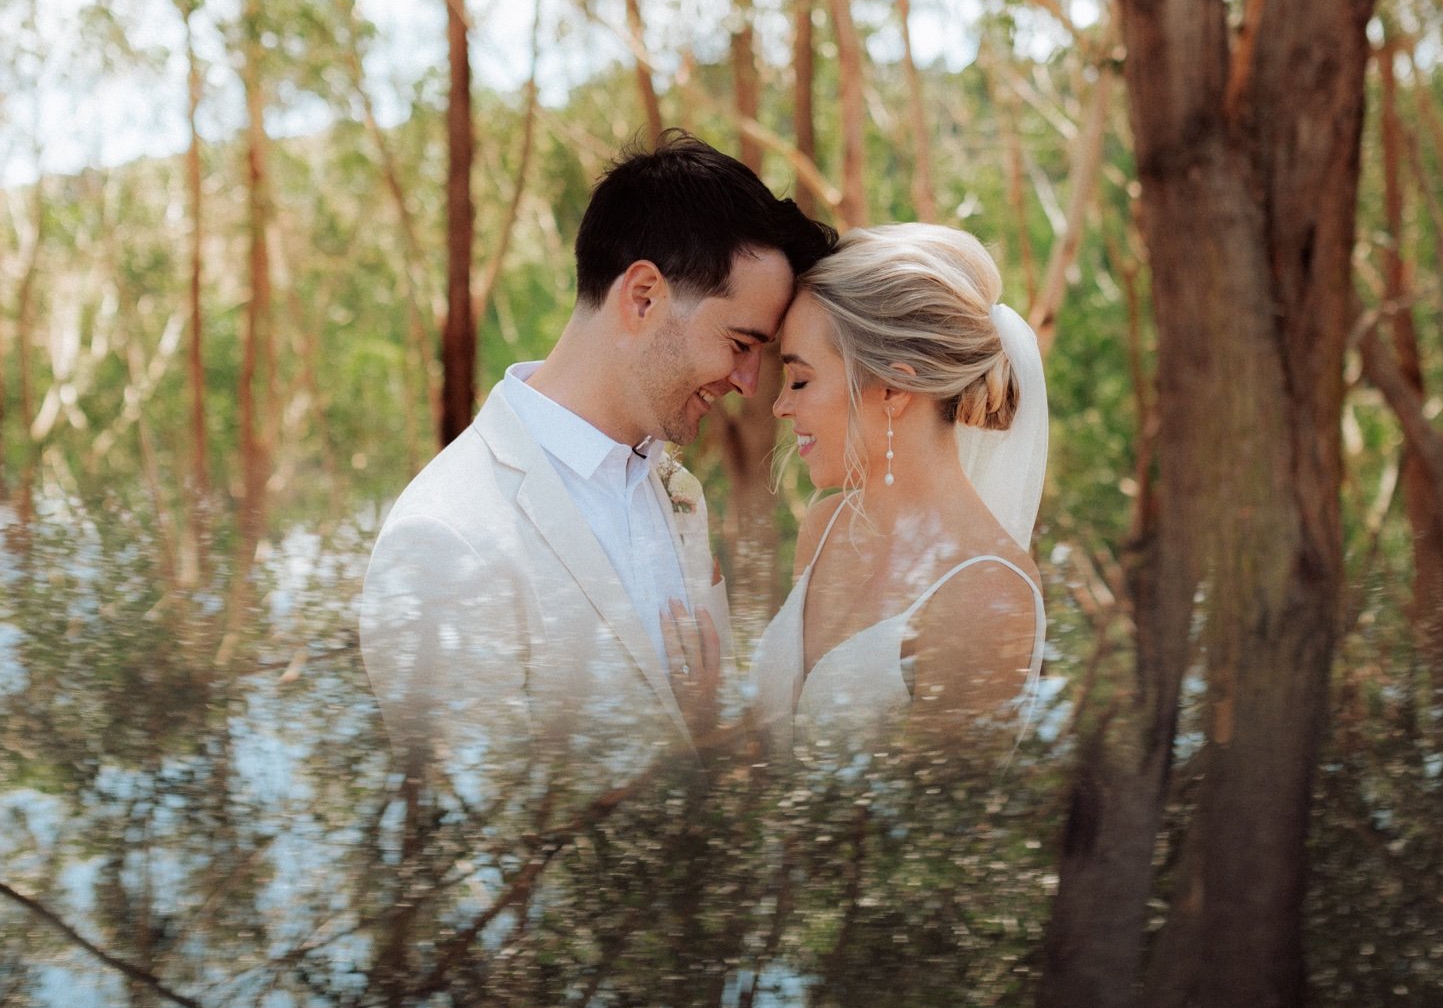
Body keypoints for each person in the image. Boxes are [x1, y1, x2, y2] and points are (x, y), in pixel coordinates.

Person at [359, 132, 835, 798]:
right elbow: (477, 849)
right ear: (642, 296)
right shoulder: (444, 538)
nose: (749, 383)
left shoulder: (680, 496)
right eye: (739, 343)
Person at [750, 224, 1048, 760]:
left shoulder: (988, 592)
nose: (780, 407)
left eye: (799, 380)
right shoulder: (823, 529)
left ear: (893, 387)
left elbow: (934, 834)